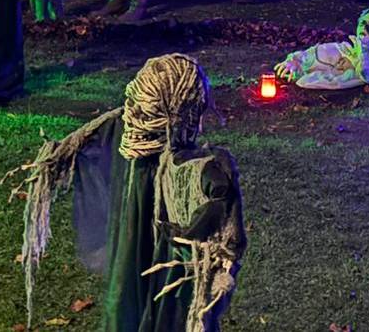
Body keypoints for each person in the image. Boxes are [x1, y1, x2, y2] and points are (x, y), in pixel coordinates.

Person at [13, 54, 244, 332]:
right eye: (132, 104)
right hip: (135, 262)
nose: (132, 113)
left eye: (142, 108)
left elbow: (225, 234)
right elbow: (90, 142)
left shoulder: (195, 169)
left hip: (166, 276)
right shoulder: (125, 137)